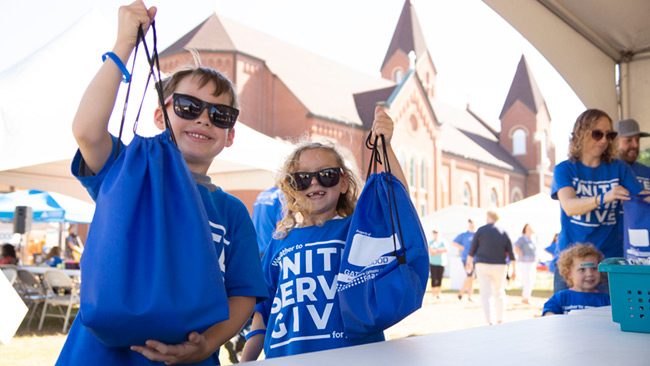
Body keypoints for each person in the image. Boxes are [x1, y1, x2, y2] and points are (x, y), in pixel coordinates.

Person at [56, 2, 268, 365]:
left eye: (220, 116)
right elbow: (87, 131)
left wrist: (207, 345)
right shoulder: (128, 171)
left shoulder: (231, 211)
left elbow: (243, 294)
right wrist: (124, 44)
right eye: (187, 106)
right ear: (160, 116)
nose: (203, 120)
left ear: (230, 135)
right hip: (99, 355)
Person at [240, 105, 408, 360]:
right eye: (302, 179)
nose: (315, 183)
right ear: (290, 187)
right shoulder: (279, 243)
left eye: (326, 175)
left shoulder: (357, 232)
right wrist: (246, 361)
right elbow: (263, 312)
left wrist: (386, 147)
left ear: (343, 182)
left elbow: (399, 208)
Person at [551, 109, 646, 294]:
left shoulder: (619, 168)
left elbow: (643, 200)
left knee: (611, 321)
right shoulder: (564, 169)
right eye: (597, 134)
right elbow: (569, 206)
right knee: (563, 320)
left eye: (609, 135)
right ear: (581, 134)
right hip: (571, 265)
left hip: (608, 264)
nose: (604, 140)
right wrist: (603, 197)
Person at [466, 210, 515, 325]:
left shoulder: (481, 230)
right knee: (499, 292)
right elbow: (511, 253)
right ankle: (500, 319)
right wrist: (514, 269)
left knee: (486, 293)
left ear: (488, 217)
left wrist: (468, 264)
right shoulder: (503, 232)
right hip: (500, 265)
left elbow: (472, 249)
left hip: (482, 265)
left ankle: (490, 320)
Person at [542, 243, 610, 315]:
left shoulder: (605, 300)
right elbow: (548, 312)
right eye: (582, 269)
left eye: (594, 268)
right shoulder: (562, 297)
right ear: (569, 274)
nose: (589, 274)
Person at [614, 118, 650, 190]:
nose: (636, 145)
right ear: (614, 143)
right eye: (628, 140)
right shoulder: (606, 172)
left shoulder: (647, 171)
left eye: (637, 140)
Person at [251, 186, 285, 257]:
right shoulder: (281, 196)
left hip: (256, 248)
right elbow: (281, 227)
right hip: (271, 250)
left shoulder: (261, 195)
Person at [452, 219, 476, 301]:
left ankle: (470, 295)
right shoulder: (464, 235)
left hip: (475, 258)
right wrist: (461, 247)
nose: (472, 225)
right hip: (466, 258)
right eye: (471, 224)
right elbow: (454, 242)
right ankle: (461, 293)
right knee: (469, 276)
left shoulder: (477, 234)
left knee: (472, 278)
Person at [513, 223, 537, 304]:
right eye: (528, 228)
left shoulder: (534, 238)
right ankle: (525, 297)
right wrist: (520, 252)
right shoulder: (522, 239)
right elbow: (515, 246)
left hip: (532, 262)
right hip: (524, 262)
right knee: (528, 280)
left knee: (532, 280)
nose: (530, 229)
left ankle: (527, 296)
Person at [427, 228, 448, 299]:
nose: (435, 234)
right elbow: (431, 252)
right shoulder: (431, 242)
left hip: (441, 262)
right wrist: (440, 251)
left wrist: (436, 250)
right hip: (433, 263)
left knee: (440, 277)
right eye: (434, 233)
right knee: (433, 277)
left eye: (437, 232)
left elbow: (446, 249)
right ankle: (433, 294)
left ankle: (438, 293)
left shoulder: (443, 241)